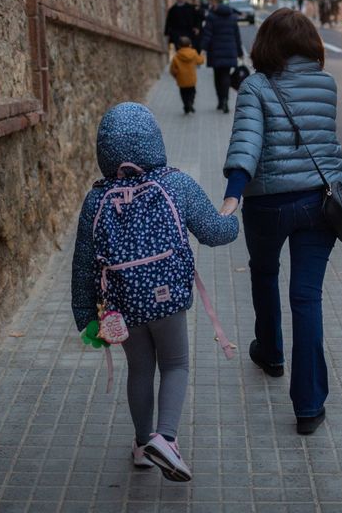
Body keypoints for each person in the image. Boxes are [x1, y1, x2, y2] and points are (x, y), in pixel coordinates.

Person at [72, 103, 238, 482]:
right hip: (167, 300)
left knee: (141, 369)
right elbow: (214, 232)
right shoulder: (175, 184)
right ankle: (166, 439)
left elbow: (83, 265)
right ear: (154, 143)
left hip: (122, 305)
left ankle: (143, 443)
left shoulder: (96, 200)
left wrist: (85, 316)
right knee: (176, 364)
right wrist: (233, 218)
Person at [218, 8, 342, 436]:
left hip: (269, 206)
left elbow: (247, 140)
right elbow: (326, 142)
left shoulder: (256, 85)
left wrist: (233, 192)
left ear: (266, 44)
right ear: (311, 43)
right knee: (306, 299)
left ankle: (271, 352)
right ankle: (309, 407)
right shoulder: (326, 84)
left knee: (264, 272)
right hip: (318, 202)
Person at [199, 0, 244, 114]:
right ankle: (225, 100)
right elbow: (237, 36)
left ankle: (220, 101)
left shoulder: (211, 17)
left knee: (217, 76)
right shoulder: (232, 16)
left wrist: (203, 49)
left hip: (215, 51)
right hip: (230, 50)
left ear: (216, 4)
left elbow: (207, 34)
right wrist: (240, 53)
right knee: (225, 75)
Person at [169, 36, 204, 114]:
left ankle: (186, 105)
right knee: (192, 92)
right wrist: (202, 55)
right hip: (191, 79)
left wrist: (175, 76)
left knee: (183, 93)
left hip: (181, 80)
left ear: (178, 46)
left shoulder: (176, 56)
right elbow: (200, 61)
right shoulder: (194, 53)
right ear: (190, 45)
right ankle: (190, 103)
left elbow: (172, 70)